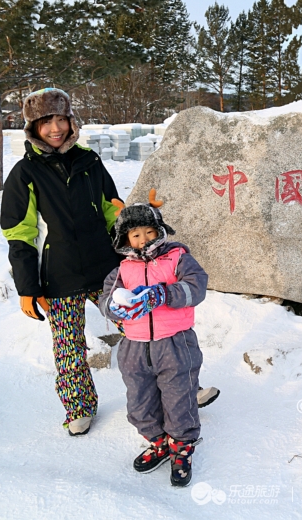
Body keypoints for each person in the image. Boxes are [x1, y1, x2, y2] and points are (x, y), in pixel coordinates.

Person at [1, 88, 122, 436]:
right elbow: (19, 235)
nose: (55, 128)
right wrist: (28, 287)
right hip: (58, 276)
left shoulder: (90, 162)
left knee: (143, 327)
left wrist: (137, 235)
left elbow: (113, 211)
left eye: (61, 119)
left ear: (72, 122)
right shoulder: (25, 173)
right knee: (69, 350)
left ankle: (174, 386)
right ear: (33, 128)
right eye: (45, 122)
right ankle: (79, 407)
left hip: (104, 269)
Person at [98, 197, 208, 487]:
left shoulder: (178, 258)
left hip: (174, 344)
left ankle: (182, 448)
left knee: (179, 398)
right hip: (134, 347)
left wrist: (164, 294)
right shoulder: (122, 270)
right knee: (139, 403)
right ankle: (158, 442)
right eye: (136, 234)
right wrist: (114, 308)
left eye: (148, 231)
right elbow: (106, 298)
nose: (143, 238)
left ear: (159, 230)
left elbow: (197, 285)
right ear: (126, 239)